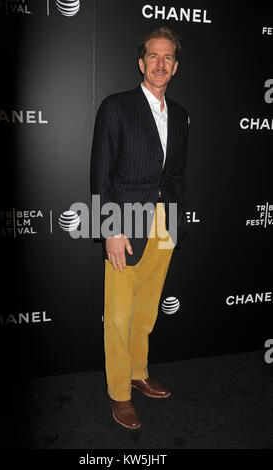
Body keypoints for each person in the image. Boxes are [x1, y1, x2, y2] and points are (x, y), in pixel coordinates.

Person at [91, 26, 190, 429]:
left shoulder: (181, 115)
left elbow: (178, 174)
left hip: (164, 221)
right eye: (153, 56)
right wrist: (110, 228)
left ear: (175, 66)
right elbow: (100, 174)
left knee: (147, 309)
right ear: (141, 63)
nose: (160, 63)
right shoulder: (116, 106)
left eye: (167, 57)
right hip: (125, 220)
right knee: (118, 313)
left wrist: (176, 216)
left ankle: (138, 371)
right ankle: (119, 393)